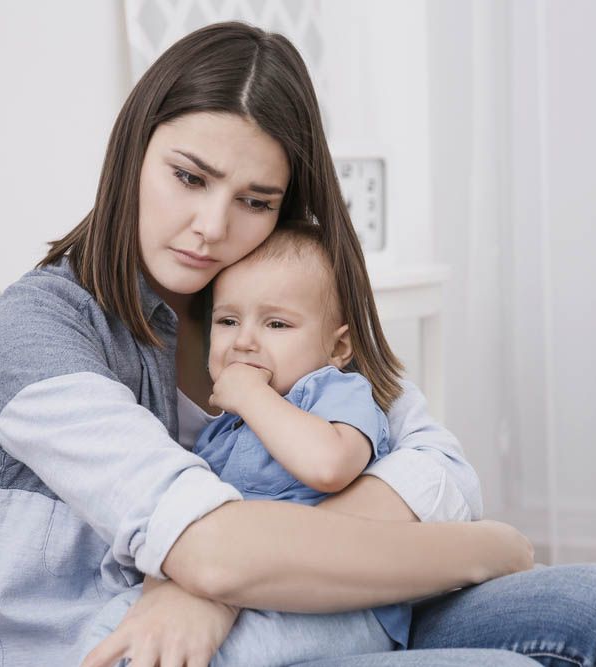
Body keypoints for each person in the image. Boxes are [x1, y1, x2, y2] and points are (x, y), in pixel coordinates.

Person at [0, 20, 596, 667]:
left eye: (256, 200)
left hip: (295, 608)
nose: (213, 226)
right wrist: (480, 550)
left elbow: (439, 467)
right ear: (132, 152)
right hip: (126, 645)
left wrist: (225, 582)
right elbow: (210, 547)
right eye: (189, 177)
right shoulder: (38, 331)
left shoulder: (274, 289)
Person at [86, 221, 418, 666]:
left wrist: (251, 395)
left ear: (339, 348)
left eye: (276, 323)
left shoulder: (333, 392)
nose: (244, 341)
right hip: (242, 589)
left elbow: (330, 465)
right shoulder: (221, 434)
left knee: (221, 656)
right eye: (228, 320)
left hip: (337, 601)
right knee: (113, 629)